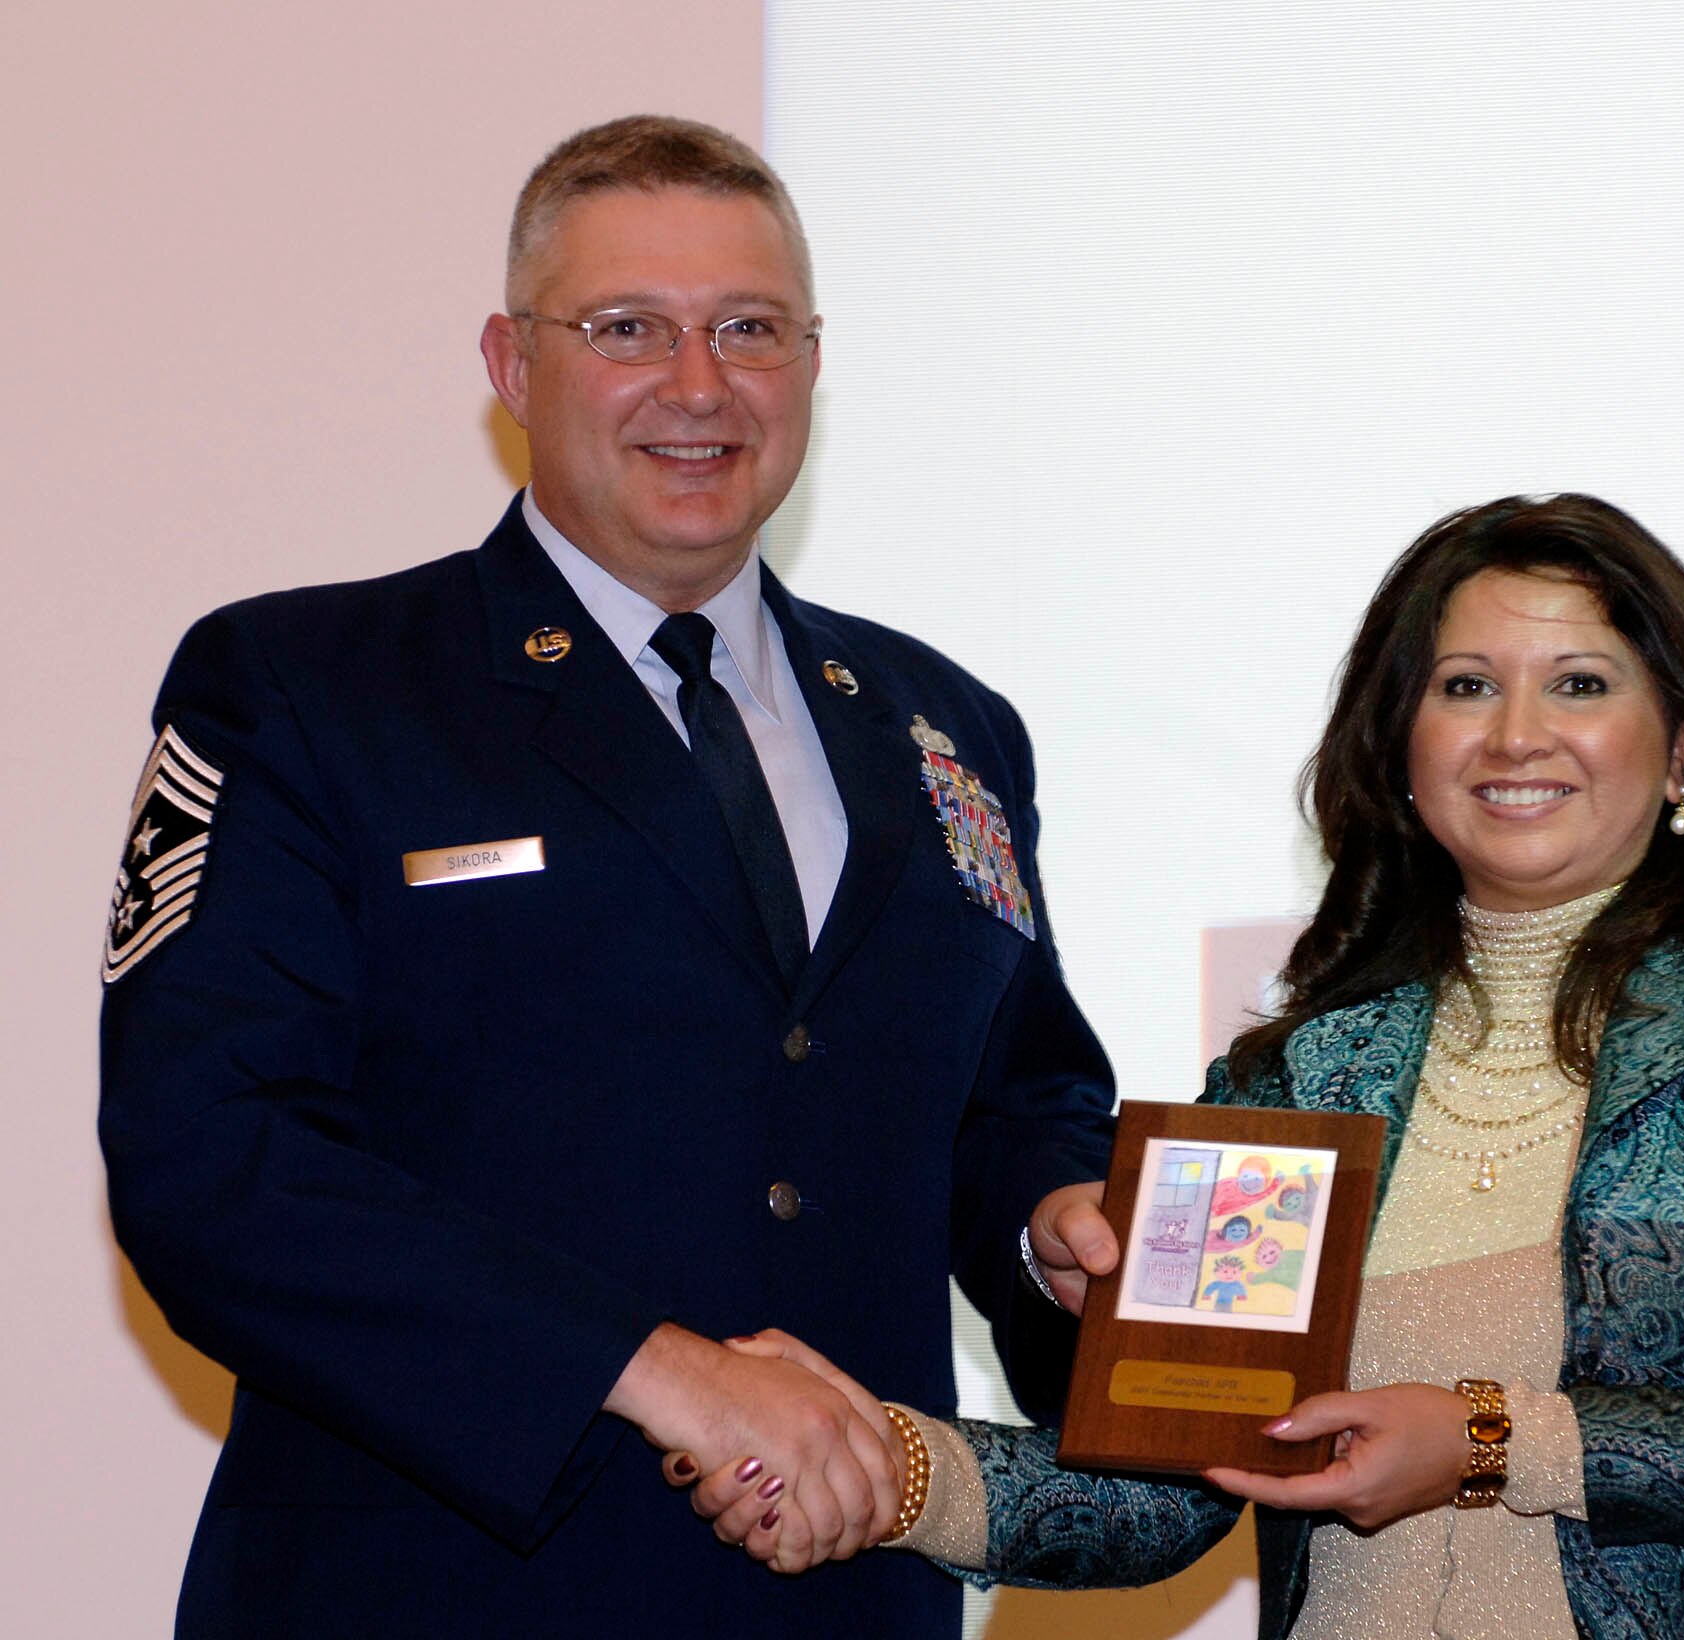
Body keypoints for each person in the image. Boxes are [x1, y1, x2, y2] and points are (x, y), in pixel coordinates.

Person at [98, 115, 1114, 1638]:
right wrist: (654, 1368)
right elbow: (214, 1166)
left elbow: (1008, 1105)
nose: (698, 386)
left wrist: (1057, 1233)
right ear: (513, 367)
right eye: (627, 327)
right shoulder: (311, 688)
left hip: (843, 1605)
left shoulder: (941, 725)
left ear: (814, 368)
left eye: (750, 330)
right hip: (433, 1596)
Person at [694, 494, 1684, 1639]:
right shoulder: (1299, 1074)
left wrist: (1486, 1443)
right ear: (1401, 746)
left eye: (1581, 685)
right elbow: (1166, 1492)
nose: (1517, 736)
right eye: (1465, 686)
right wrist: (880, 1461)